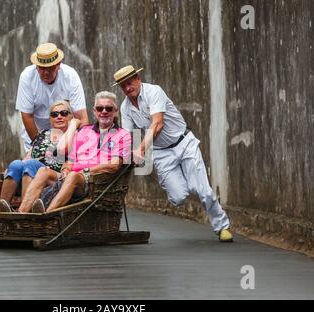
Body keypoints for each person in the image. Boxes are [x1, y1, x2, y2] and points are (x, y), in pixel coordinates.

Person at [113, 65, 233, 242]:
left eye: (129, 82)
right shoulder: (125, 107)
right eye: (123, 86)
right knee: (178, 197)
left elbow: (157, 124)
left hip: (184, 143)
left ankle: (222, 227)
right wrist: (124, 156)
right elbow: (128, 135)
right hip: (161, 153)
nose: (127, 88)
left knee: (202, 190)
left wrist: (141, 150)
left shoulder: (154, 92)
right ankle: (187, 182)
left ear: (138, 78)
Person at [18, 91, 131, 213]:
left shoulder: (122, 134)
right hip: (72, 176)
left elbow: (114, 165)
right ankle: (21, 214)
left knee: (73, 176)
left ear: (115, 111)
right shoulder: (84, 131)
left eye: (108, 108)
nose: (103, 112)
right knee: (43, 171)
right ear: (94, 111)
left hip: (96, 182)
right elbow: (70, 161)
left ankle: (47, 215)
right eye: (99, 108)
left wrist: (86, 171)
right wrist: (65, 170)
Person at [0, 100, 80, 212]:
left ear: (71, 117)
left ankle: (24, 210)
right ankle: (3, 208)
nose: (59, 117)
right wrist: (11, 169)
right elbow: (29, 156)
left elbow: (71, 159)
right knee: (16, 164)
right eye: (54, 114)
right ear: (50, 119)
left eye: (64, 113)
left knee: (31, 164)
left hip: (56, 174)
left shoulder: (75, 134)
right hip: (33, 169)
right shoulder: (43, 134)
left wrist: (72, 127)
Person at [15, 42, 89, 151]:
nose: (45, 72)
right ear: (36, 66)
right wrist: (41, 148)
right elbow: (27, 116)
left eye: (49, 68)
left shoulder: (70, 76)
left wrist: (81, 149)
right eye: (41, 68)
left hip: (67, 139)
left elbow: (81, 117)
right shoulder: (27, 77)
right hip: (36, 135)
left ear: (58, 64)